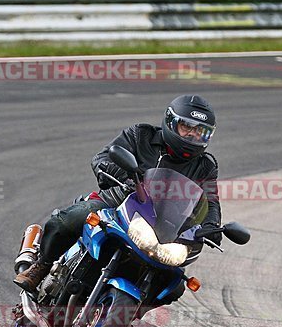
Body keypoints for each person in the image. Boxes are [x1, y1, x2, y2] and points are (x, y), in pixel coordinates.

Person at [14, 94, 223, 294]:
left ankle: (128, 313)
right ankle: (41, 265)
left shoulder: (205, 166)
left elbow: (210, 200)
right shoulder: (141, 135)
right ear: (171, 122)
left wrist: (212, 226)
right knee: (68, 220)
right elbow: (103, 157)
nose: (192, 135)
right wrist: (124, 177)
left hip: (162, 226)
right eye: (187, 126)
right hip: (116, 203)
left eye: (200, 131)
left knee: (173, 284)